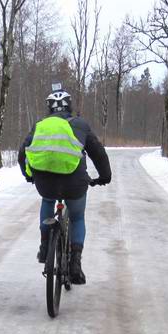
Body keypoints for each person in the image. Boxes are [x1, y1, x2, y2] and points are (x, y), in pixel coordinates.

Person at [18, 87, 111, 285]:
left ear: (49, 109)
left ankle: (45, 247)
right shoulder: (80, 124)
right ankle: (75, 263)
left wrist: (28, 175)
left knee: (48, 200)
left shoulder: (40, 125)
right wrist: (104, 176)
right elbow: (98, 153)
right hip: (74, 182)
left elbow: (22, 152)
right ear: (70, 106)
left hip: (45, 182)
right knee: (77, 217)